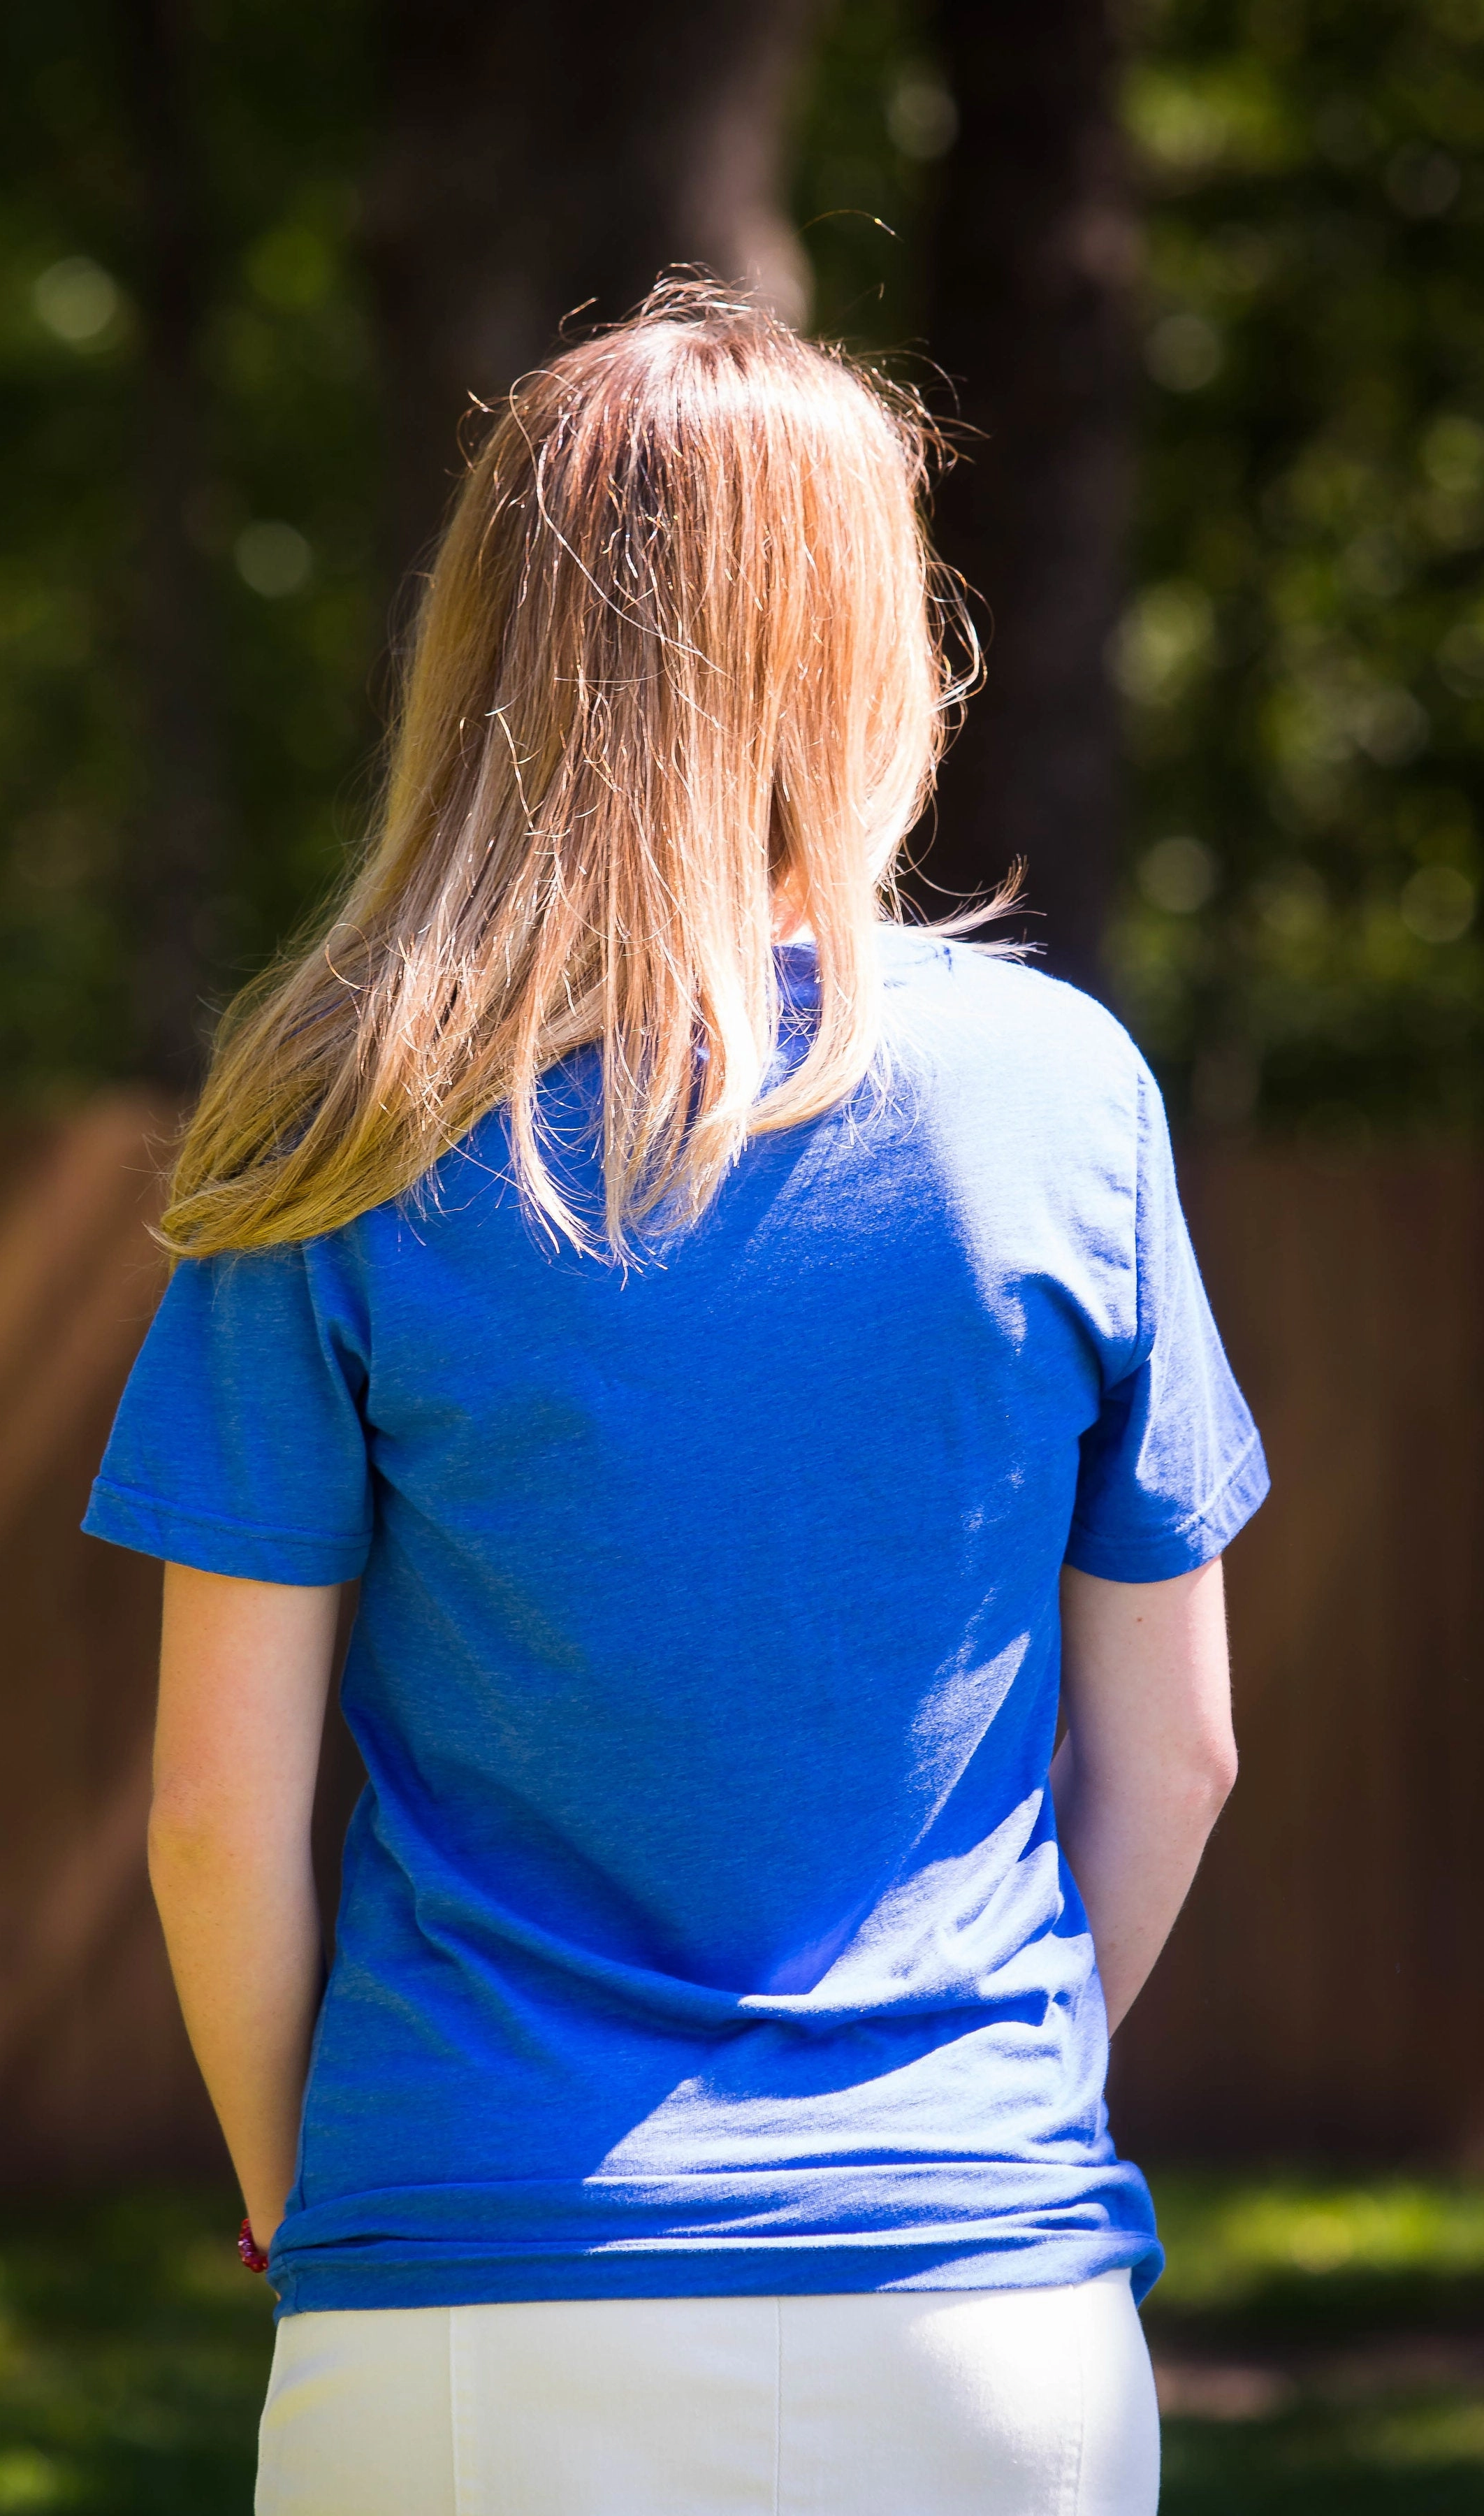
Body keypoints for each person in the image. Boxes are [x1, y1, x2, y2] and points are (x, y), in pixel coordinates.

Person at [84, 280, 1267, 2516]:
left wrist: (299, 2201)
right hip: (983, 2316)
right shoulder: (1063, 1098)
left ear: (483, 648)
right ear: (874, 645)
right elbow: (1182, 1749)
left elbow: (214, 1816)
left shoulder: (348, 1118)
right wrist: (971, 2123)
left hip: (467, 2297)